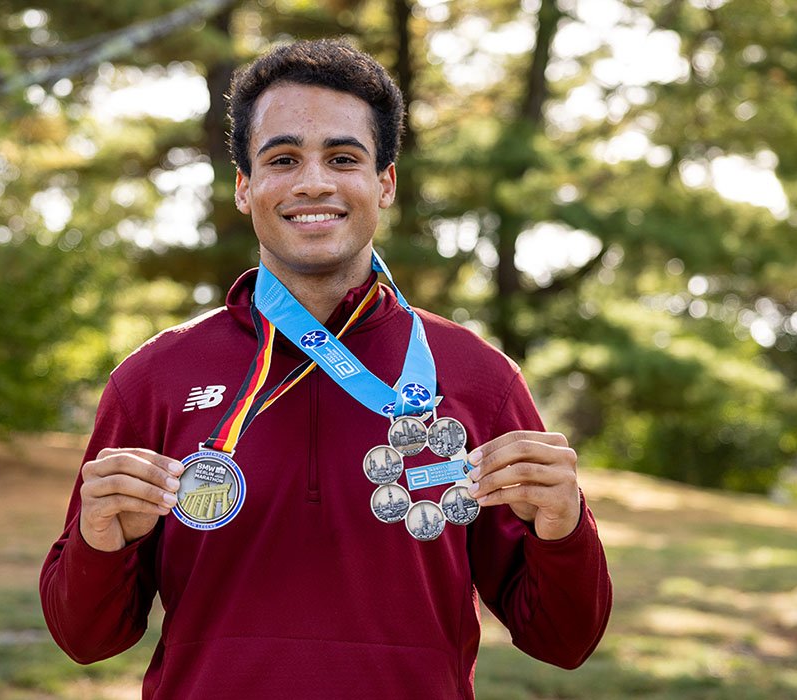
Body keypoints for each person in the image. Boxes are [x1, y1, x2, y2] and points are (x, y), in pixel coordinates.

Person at [40, 38, 612, 699]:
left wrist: (565, 526)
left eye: (343, 158)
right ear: (244, 187)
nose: (313, 181)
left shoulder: (477, 379)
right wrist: (98, 539)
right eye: (283, 159)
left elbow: (563, 640)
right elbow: (86, 639)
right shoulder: (154, 378)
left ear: (384, 183)